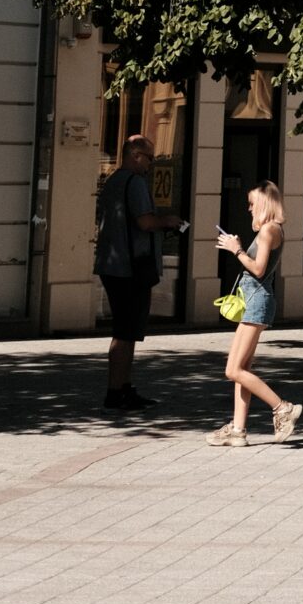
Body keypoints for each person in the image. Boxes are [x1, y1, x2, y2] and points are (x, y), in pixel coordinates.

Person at [208, 180, 302, 447]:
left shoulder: (270, 230)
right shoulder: (271, 229)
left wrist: (236, 250)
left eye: (252, 203)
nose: (249, 208)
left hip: (257, 302)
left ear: (263, 203)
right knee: (242, 369)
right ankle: (238, 430)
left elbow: (259, 269)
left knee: (233, 369)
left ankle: (282, 407)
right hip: (254, 301)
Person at [94, 133, 180, 412]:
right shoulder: (135, 183)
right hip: (130, 267)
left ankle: (123, 388)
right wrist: (168, 221)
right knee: (125, 332)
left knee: (127, 331)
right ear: (135, 155)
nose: (151, 164)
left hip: (113, 265)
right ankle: (116, 391)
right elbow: (145, 222)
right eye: (149, 158)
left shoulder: (113, 181)